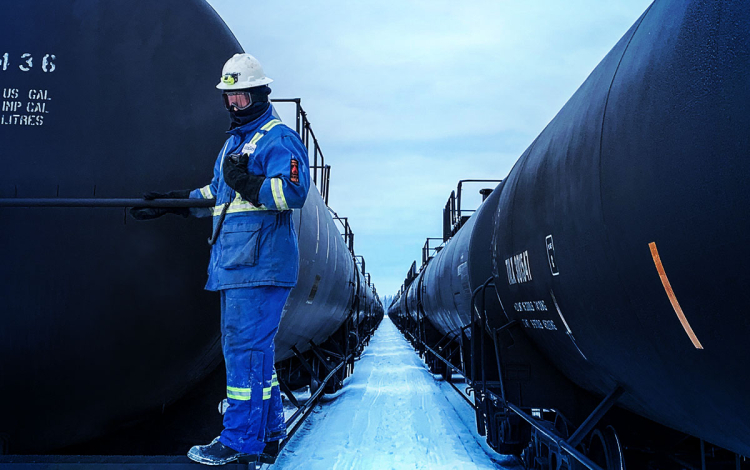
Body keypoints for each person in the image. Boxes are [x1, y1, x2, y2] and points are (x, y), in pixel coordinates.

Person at [130, 53, 310, 465]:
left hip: (261, 266)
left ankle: (239, 441)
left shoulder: (276, 138)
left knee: (245, 352)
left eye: (241, 98)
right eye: (229, 98)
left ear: (261, 94)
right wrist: (174, 203)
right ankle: (267, 433)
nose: (233, 106)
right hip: (236, 265)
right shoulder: (234, 142)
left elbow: (292, 195)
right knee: (255, 352)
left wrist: (248, 182)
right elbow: (218, 194)